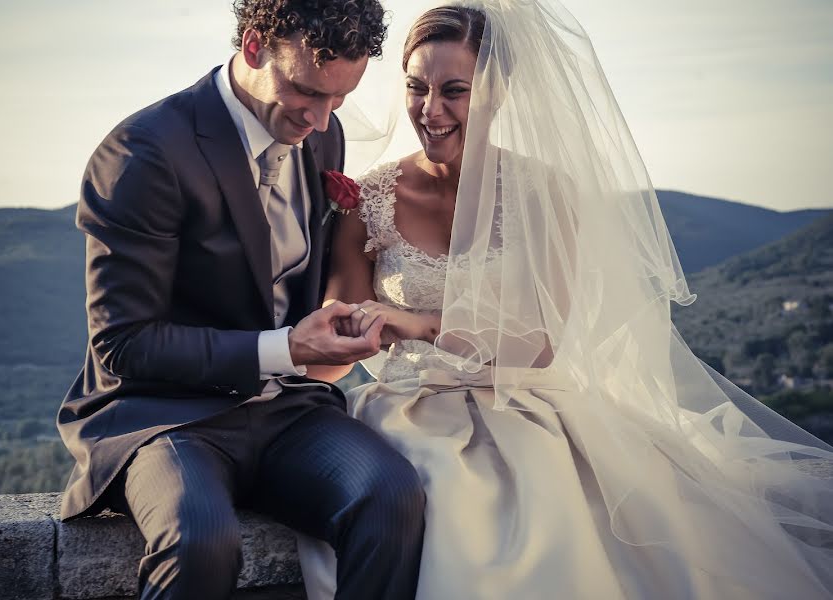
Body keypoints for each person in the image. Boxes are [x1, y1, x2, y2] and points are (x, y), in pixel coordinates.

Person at [298, 1, 833, 598]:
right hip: (406, 413)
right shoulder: (366, 200)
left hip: (529, 405)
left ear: (499, 94)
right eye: (417, 88)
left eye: (455, 91)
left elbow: (540, 343)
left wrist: (418, 322)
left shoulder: (544, 193)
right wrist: (329, 337)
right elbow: (334, 351)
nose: (431, 110)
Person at [55, 1, 427, 598]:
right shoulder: (143, 153)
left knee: (392, 496)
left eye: (340, 97)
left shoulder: (321, 135)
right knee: (200, 538)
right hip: (167, 418)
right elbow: (124, 345)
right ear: (254, 46)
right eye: (307, 90)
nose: (322, 117)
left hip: (285, 411)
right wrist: (286, 346)